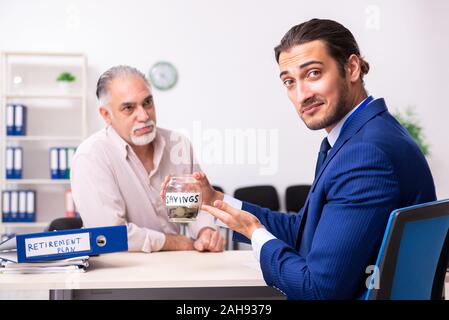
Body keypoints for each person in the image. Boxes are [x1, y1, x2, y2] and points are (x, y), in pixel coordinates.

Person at [162, 19, 436, 299]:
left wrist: (256, 234)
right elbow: (304, 232)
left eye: (314, 73)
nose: (301, 94)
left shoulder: (365, 153)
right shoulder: (362, 136)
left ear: (351, 68)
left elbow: (317, 290)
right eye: (289, 82)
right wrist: (214, 201)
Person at [71, 65, 225, 253]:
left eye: (147, 103)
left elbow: (188, 210)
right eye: (128, 108)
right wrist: (177, 243)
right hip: (120, 271)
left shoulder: (178, 145)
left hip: (177, 266)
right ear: (106, 115)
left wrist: (205, 232)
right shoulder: (92, 156)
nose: (144, 116)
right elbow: (109, 235)